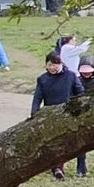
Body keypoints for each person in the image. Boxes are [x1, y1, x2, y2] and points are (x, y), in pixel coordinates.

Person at [28, 49, 82, 178]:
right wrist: (34, 113)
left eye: (55, 64)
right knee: (54, 142)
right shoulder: (42, 79)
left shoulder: (70, 76)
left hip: (67, 112)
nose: (52, 67)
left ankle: (78, 168)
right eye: (49, 64)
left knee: (70, 142)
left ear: (60, 64)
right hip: (50, 114)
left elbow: (80, 92)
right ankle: (57, 168)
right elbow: (37, 97)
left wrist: (77, 107)